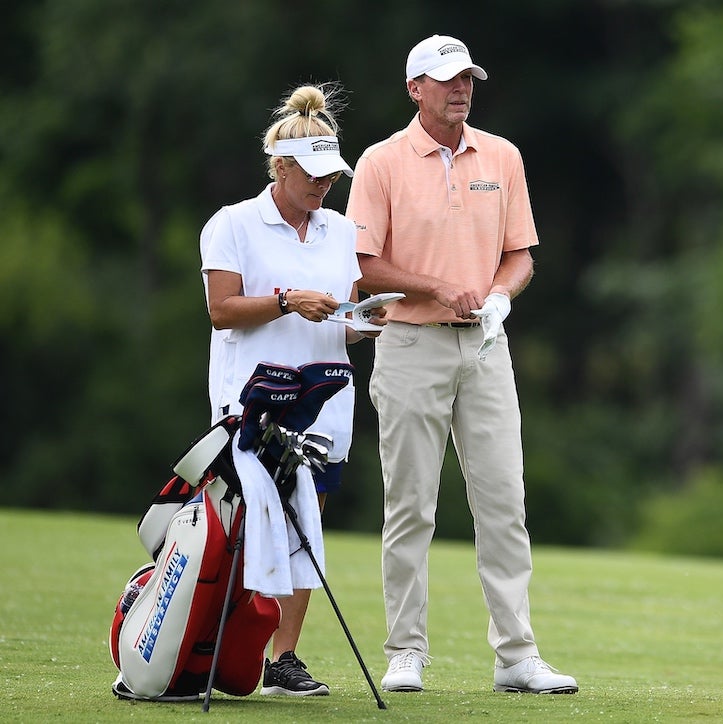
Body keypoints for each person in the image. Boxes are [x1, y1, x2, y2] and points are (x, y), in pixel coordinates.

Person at [345, 35, 578, 695]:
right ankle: (405, 651)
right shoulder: (381, 162)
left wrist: (501, 295)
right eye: (447, 79)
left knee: (503, 503)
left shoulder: (501, 156)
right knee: (411, 505)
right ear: (414, 88)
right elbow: (362, 265)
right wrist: (437, 287)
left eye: (467, 78)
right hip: (409, 344)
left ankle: (516, 656)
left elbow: (519, 254)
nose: (461, 88)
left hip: (484, 347)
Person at [200, 83, 386, 697]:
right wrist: (286, 301)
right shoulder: (233, 224)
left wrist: (368, 321)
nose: (323, 184)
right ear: (280, 166)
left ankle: (283, 659)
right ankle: (216, 649)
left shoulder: (341, 230)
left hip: (323, 404)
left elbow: (343, 320)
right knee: (244, 527)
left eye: (330, 175)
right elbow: (222, 310)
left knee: (308, 523)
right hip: (251, 403)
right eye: (311, 173)